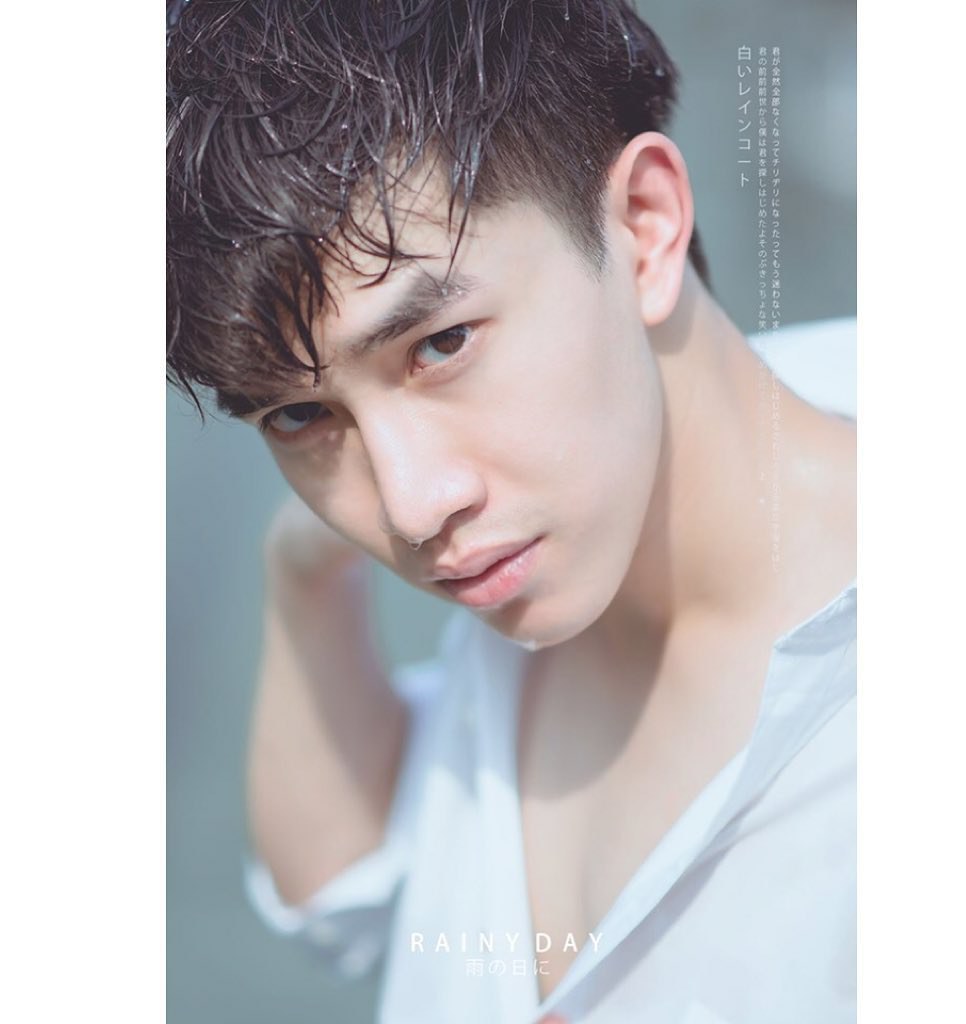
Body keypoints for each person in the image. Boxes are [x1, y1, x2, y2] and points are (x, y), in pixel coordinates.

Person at [167, 2, 856, 1021]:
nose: (411, 509)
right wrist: (301, 569)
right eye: (299, 415)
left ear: (644, 226)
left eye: (441, 345)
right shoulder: (546, 544)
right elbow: (339, 902)